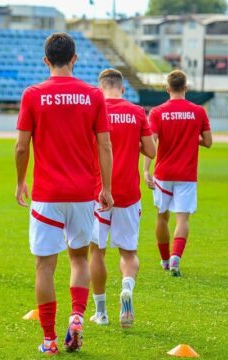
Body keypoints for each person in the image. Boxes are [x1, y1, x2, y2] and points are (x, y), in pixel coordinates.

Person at [15, 32, 113, 354]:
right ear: (75, 58)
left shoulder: (33, 94)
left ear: (46, 61)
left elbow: (21, 146)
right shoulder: (93, 95)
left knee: (45, 266)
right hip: (83, 193)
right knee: (79, 258)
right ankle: (77, 316)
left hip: (47, 194)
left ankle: (50, 340)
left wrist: (20, 182)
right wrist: (107, 188)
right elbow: (104, 144)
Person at [89, 69, 156, 328]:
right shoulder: (137, 112)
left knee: (97, 251)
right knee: (128, 253)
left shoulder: (94, 109)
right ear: (123, 88)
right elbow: (151, 149)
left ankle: (101, 312)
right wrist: (131, 142)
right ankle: (127, 288)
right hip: (128, 192)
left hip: (98, 191)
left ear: (100, 86)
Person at [144, 70, 212, 277]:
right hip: (187, 175)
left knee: (162, 218)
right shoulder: (198, 111)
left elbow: (151, 141)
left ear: (167, 89)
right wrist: (193, 139)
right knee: (183, 220)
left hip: (163, 173)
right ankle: (176, 257)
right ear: (186, 88)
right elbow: (208, 142)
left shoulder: (157, 112)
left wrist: (146, 169)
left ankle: (164, 260)